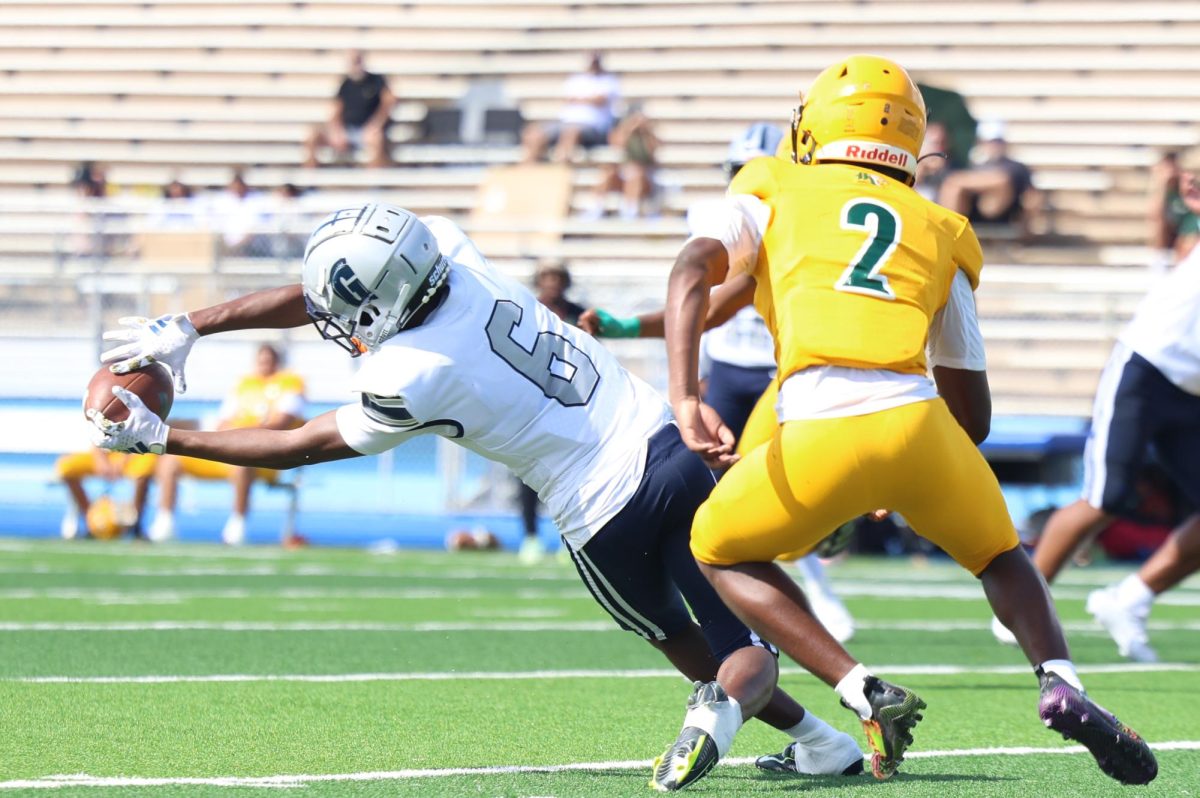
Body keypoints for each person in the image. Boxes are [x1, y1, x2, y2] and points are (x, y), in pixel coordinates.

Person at [91, 203, 866, 787]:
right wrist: (188, 326)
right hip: (664, 446)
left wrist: (166, 438)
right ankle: (821, 745)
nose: (337, 322)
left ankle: (718, 705)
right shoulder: (451, 254)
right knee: (743, 641)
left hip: (599, 508)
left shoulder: (408, 375)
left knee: (682, 640)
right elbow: (322, 295)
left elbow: (299, 447)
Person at [657, 55, 1156, 789]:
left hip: (819, 411)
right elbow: (973, 414)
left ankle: (861, 688)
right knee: (1000, 556)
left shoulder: (774, 180)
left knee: (718, 548)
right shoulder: (943, 225)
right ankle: (1059, 682)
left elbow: (692, 271)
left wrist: (684, 396)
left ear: (816, 125)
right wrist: (908, 473)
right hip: (917, 420)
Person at [581, 122, 857, 647]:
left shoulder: (805, 226)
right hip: (733, 372)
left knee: (787, 493)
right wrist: (630, 330)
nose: (747, 184)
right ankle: (751, 611)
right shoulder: (729, 223)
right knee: (727, 497)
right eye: (737, 173)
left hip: (790, 376)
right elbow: (705, 307)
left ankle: (811, 585)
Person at [995, 175, 1200, 663]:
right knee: (1107, 495)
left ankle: (1128, 600)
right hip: (1148, 367)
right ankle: (1024, 605)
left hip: (1193, 390)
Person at [144, 343, 306, 546]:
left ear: (277, 362)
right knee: (171, 462)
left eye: (269, 360)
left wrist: (244, 435)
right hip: (232, 449)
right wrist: (234, 436)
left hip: (265, 456)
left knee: (242, 463)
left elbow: (280, 423)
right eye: (261, 360)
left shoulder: (291, 383)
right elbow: (223, 422)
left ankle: (237, 526)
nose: (265, 365)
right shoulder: (245, 384)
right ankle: (164, 523)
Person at [515, 260, 588, 563]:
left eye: (557, 277)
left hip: (570, 401)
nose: (552, 283)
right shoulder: (526, 308)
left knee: (572, 473)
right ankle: (531, 538)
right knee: (527, 473)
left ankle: (569, 538)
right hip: (532, 401)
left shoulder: (578, 313)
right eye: (547, 277)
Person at [521, 52, 620, 164]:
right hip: (566, 122)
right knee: (534, 132)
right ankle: (528, 167)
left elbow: (600, 100)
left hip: (593, 127)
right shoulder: (576, 79)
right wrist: (588, 100)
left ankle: (560, 167)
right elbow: (569, 99)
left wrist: (578, 99)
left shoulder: (609, 81)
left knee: (571, 133)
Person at [938, 119, 1035, 232]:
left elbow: (1030, 196)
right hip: (974, 213)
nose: (993, 146)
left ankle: (948, 229)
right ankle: (948, 230)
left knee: (958, 183)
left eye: (997, 141)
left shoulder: (1016, 167)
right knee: (954, 187)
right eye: (990, 141)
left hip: (1002, 212)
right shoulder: (974, 166)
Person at [303, 50, 396, 169]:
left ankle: (374, 182)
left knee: (377, 140)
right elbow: (336, 109)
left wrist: (376, 125)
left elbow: (389, 101)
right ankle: (310, 176)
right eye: (353, 61)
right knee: (312, 136)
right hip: (347, 130)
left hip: (367, 130)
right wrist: (337, 130)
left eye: (357, 61)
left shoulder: (376, 81)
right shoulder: (346, 83)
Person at [56, 447, 156, 539]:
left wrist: (123, 460)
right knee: (67, 466)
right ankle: (91, 521)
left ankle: (135, 524)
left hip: (132, 453)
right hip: (104, 453)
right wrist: (101, 459)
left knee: (144, 469)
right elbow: (96, 435)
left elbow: (140, 435)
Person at [586, 106, 659, 219]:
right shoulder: (621, 131)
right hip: (624, 173)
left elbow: (652, 153)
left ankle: (629, 212)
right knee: (608, 174)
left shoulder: (648, 136)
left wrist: (646, 131)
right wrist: (629, 129)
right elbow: (618, 146)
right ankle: (594, 209)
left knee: (636, 175)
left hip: (643, 176)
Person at [1148, 152, 1199, 269]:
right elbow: (1155, 215)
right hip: (1173, 234)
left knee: (1189, 239)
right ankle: (1160, 261)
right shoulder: (1166, 193)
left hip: (1189, 232)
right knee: (1158, 227)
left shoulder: (1184, 190)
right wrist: (1161, 185)